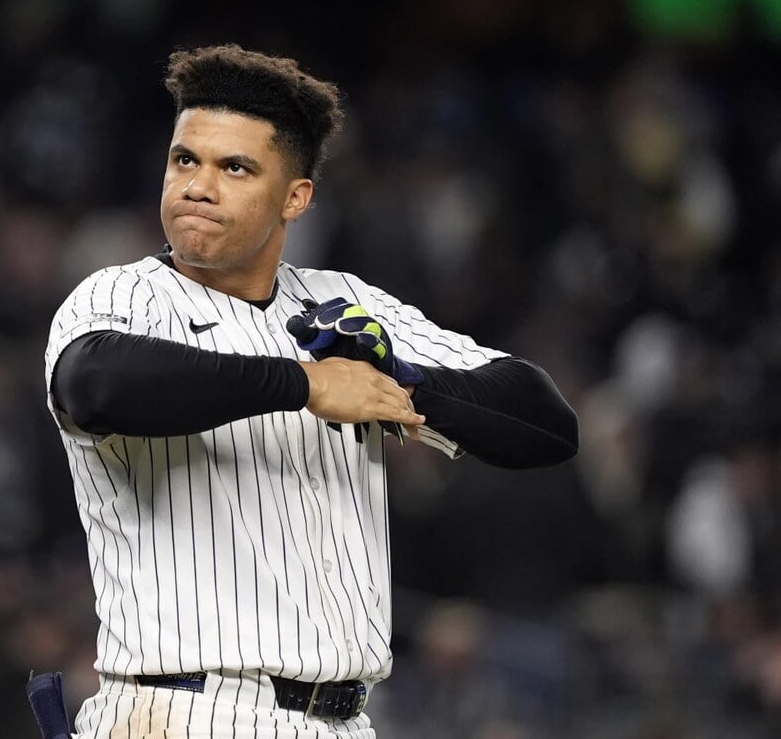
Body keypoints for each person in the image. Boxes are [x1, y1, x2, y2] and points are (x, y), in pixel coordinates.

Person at [43, 44, 578, 738]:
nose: (198, 186)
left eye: (235, 167)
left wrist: (403, 381)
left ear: (295, 196)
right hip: (183, 709)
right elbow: (96, 384)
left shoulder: (342, 301)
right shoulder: (123, 294)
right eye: (185, 160)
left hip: (345, 719)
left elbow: (544, 424)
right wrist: (304, 383)